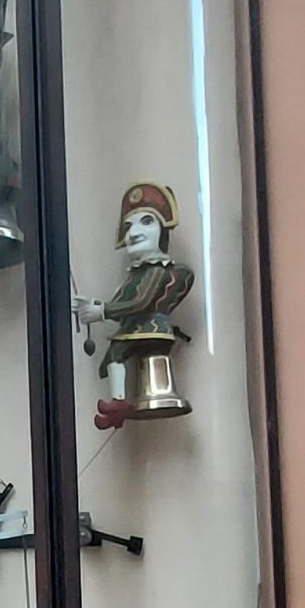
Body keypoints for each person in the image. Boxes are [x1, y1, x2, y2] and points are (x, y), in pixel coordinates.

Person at [75, 182, 194, 429]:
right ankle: (118, 403)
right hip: (138, 329)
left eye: (146, 222)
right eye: (129, 226)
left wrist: (101, 311)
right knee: (115, 354)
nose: (134, 232)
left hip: (151, 330)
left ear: (162, 230)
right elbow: (122, 306)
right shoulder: (136, 275)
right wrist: (94, 307)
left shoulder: (157, 271)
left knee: (117, 351)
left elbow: (141, 302)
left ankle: (119, 402)